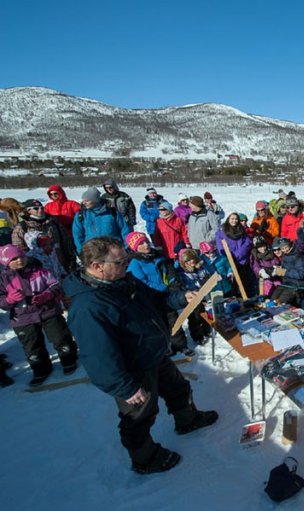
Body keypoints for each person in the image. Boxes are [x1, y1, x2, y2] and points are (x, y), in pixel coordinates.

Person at [63, 237, 217, 474]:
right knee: (139, 416)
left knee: (178, 389)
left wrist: (179, 298)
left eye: (126, 259)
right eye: (120, 261)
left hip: (154, 353)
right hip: (133, 369)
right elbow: (98, 356)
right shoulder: (88, 307)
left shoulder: (123, 281)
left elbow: (155, 299)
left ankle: (188, 420)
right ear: (96, 265)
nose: (126, 264)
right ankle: (145, 459)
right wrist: (124, 387)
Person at [0, 244, 77, 386]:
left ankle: (69, 359)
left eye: (21, 256)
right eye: (14, 258)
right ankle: (41, 369)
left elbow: (56, 286)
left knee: (60, 336)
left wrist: (48, 294)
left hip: (47, 310)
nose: (19, 260)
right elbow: (2, 302)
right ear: (6, 261)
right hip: (22, 317)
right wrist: (9, 299)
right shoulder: (3, 279)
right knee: (32, 346)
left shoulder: (39, 271)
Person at [125, 232, 194, 356]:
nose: (146, 245)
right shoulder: (135, 264)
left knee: (173, 320)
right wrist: (161, 288)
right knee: (159, 325)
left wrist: (172, 284)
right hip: (151, 298)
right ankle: (165, 347)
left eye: (146, 241)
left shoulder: (157, 256)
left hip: (167, 295)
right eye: (141, 243)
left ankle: (180, 345)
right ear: (134, 247)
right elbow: (142, 283)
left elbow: (168, 272)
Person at [13, 198, 77, 272]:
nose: (40, 210)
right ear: (28, 211)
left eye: (42, 208)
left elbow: (66, 240)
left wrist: (70, 257)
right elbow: (18, 249)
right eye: (36, 209)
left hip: (59, 263)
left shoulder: (52, 222)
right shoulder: (22, 227)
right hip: (37, 268)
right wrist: (28, 262)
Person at [72, 188, 131, 255]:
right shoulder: (81, 214)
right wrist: (82, 252)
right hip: (92, 252)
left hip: (113, 251)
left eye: (87, 201)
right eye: (83, 201)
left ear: (95, 200)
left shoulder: (112, 212)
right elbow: (77, 234)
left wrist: (125, 248)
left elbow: (124, 230)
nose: (84, 203)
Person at [215, 212, 254, 295]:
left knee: (243, 281)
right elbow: (220, 245)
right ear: (228, 219)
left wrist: (238, 254)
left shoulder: (241, 230)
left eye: (236, 219)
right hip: (229, 260)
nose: (234, 221)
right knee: (232, 282)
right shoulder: (222, 231)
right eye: (232, 219)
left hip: (241, 260)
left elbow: (247, 243)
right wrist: (228, 256)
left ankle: (245, 297)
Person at [268, 237, 304, 307]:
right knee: (272, 299)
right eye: (282, 249)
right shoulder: (285, 256)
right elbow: (285, 269)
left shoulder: (297, 256)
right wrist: (279, 269)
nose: (285, 250)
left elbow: (301, 274)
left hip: (296, 284)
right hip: (286, 283)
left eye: (286, 247)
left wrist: (284, 272)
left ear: (290, 245)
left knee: (279, 302)